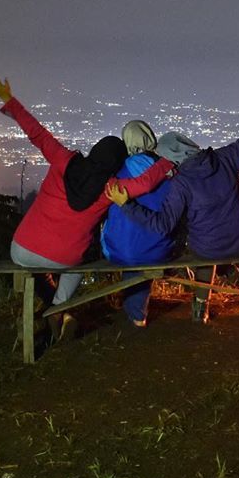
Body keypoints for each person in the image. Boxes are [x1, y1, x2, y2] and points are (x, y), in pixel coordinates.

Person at [0, 75, 174, 323]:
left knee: (39, 269)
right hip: (64, 258)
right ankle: (58, 309)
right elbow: (146, 182)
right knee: (74, 268)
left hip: (21, 249)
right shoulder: (112, 188)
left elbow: (38, 134)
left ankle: (55, 311)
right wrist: (169, 160)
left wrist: (9, 100)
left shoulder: (63, 160)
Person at [106, 90, 239, 320]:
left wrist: (126, 204)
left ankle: (201, 306)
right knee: (207, 238)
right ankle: (200, 305)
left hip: (209, 250)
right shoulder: (226, 158)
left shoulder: (181, 183)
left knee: (203, 248)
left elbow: (161, 225)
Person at [100, 119, 176, 327]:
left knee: (130, 244)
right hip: (158, 250)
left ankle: (136, 312)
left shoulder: (119, 172)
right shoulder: (167, 171)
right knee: (145, 243)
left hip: (119, 250)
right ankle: (136, 311)